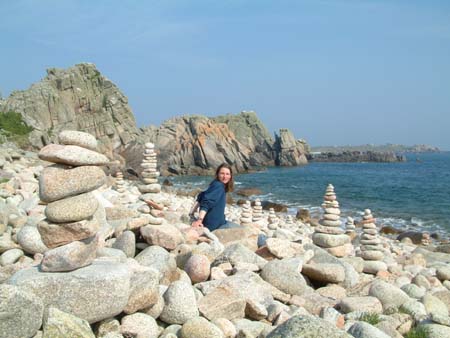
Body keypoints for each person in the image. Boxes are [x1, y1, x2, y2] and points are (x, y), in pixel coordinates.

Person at [191, 163, 240, 231]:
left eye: (227, 174)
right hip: (215, 226)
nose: (225, 176)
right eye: (222, 173)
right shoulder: (219, 186)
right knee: (246, 231)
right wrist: (199, 220)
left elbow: (201, 195)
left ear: (231, 176)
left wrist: (192, 213)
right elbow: (206, 202)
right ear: (217, 174)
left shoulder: (216, 184)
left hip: (218, 223)